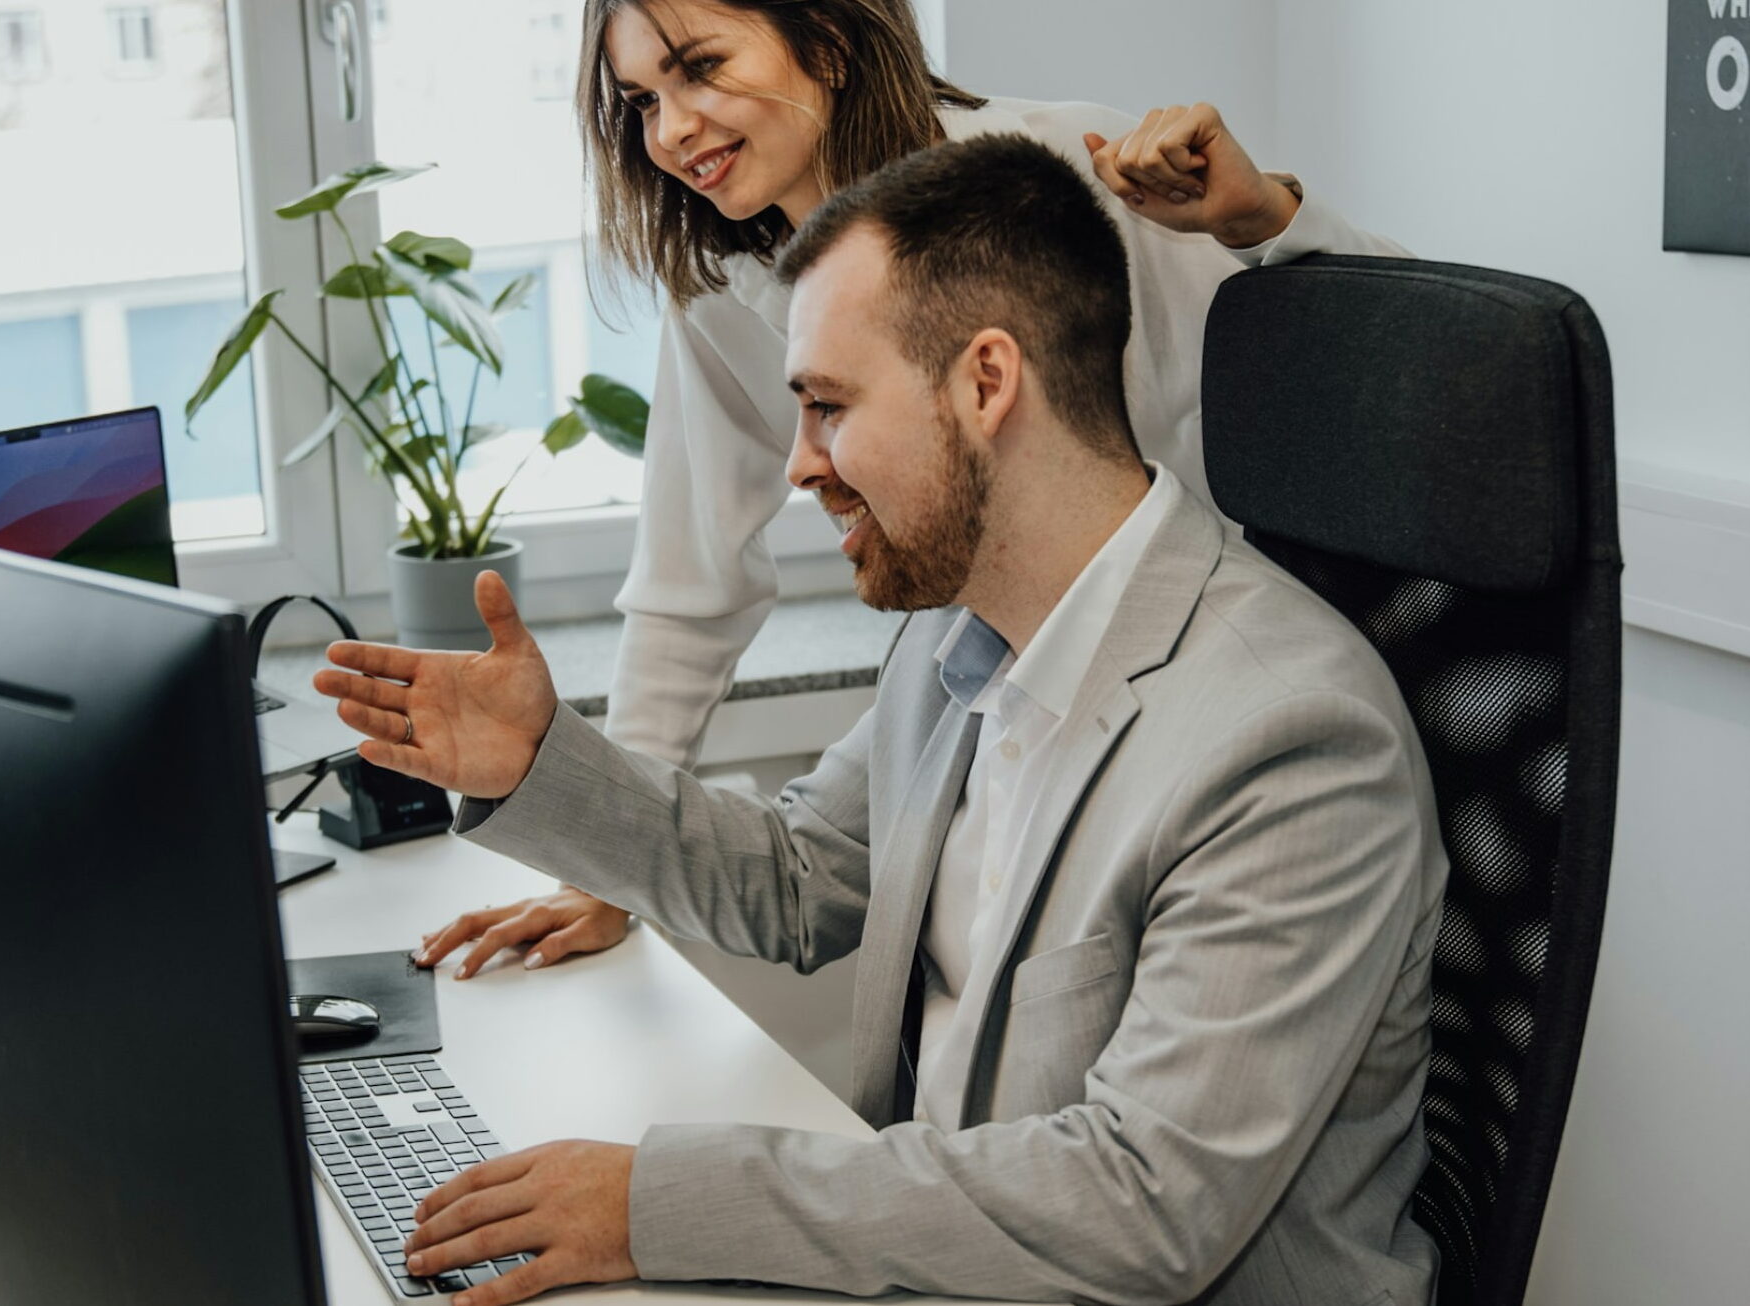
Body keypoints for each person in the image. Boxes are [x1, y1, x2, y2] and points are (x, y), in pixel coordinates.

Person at [314, 135, 1446, 1306]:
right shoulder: (959, 634)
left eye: (828, 406)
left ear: (985, 382)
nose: (801, 465)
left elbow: (1143, 1205)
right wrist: (538, 765)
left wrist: (655, 1204)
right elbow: (805, 879)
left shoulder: (1289, 739)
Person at [414, 0, 1411, 977]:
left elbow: (1407, 377)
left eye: (700, 68)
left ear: (831, 41)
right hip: (1004, 658)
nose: (670, 130)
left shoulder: (1046, 181)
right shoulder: (727, 278)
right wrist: (603, 870)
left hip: (1191, 684)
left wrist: (1261, 218)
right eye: (638, 99)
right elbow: (694, 579)